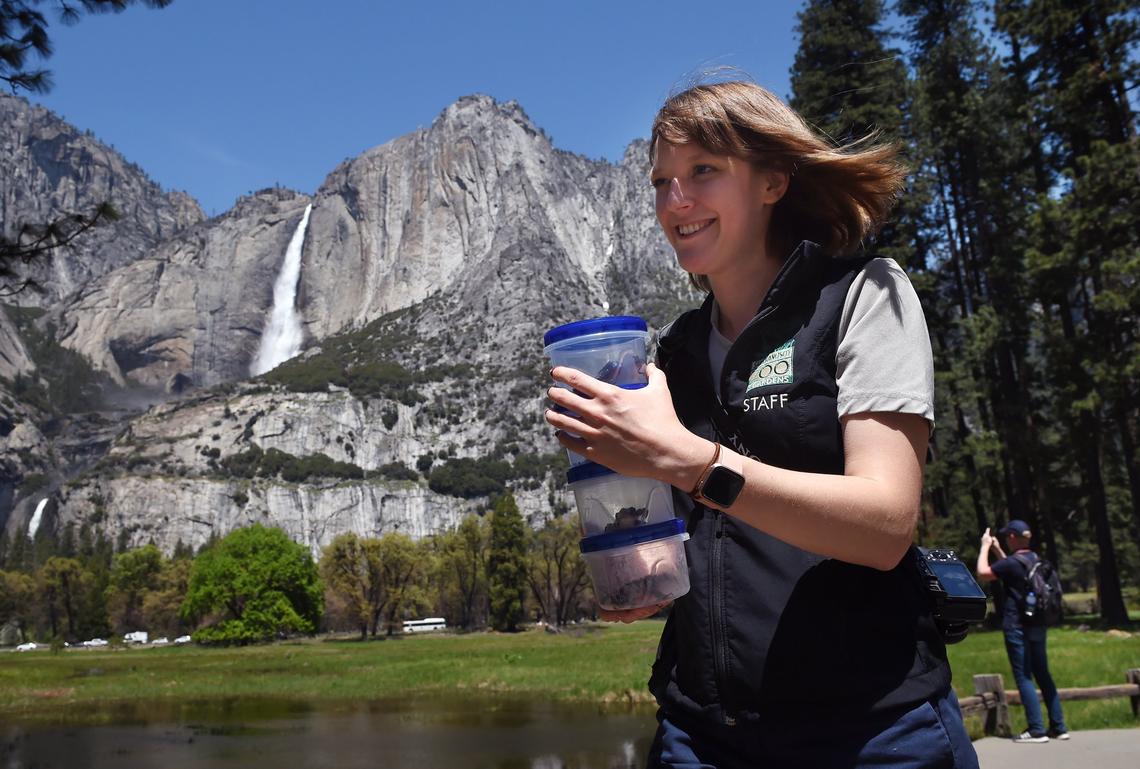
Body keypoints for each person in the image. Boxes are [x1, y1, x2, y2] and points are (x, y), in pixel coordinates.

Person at [545, 80, 978, 768]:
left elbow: (887, 525)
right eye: (661, 181)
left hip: (868, 733)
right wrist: (637, 562)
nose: (675, 201)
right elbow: (713, 540)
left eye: (703, 172)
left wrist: (688, 460)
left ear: (774, 180)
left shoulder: (863, 295)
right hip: (701, 735)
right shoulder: (675, 353)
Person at [976, 520, 1069, 743]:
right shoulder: (1035, 559)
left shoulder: (1011, 565)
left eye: (1008, 537)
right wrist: (999, 549)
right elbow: (1009, 566)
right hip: (1038, 624)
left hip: (1017, 626)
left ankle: (1036, 730)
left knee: (1024, 677)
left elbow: (982, 572)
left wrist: (985, 546)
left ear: (1013, 537)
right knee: (1043, 674)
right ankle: (1058, 727)